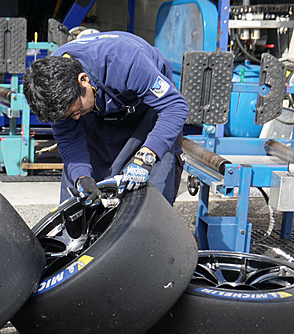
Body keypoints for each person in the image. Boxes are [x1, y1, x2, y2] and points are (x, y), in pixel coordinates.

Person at [22, 30, 188, 206]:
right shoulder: (52, 88)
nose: (75, 118)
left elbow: (175, 107)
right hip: (96, 112)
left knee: (152, 203)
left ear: (83, 80)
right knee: (79, 199)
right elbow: (69, 137)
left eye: (75, 111)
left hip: (150, 112)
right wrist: (82, 177)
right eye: (69, 116)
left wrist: (146, 157)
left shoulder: (126, 61)